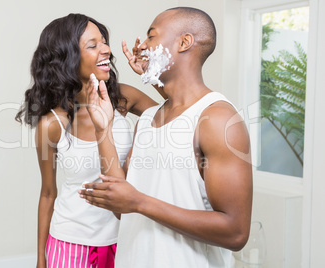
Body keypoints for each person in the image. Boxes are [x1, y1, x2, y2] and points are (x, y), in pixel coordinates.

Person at [80, 7, 253, 268]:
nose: (142, 46)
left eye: (151, 36)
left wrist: (140, 202)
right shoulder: (149, 119)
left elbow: (235, 232)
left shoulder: (218, 120)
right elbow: (121, 206)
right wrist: (103, 129)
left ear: (184, 42)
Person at [15, 13, 158, 268]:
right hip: (70, 244)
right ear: (68, 58)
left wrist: (150, 74)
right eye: (93, 45)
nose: (106, 49)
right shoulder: (52, 125)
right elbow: (48, 193)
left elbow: (174, 118)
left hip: (124, 239)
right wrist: (41, 258)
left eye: (104, 41)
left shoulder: (122, 98)